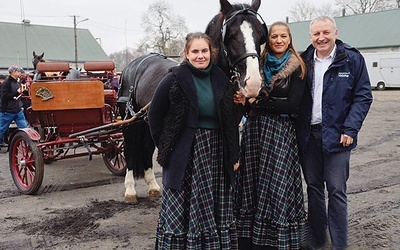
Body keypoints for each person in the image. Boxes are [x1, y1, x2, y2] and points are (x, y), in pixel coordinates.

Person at [148, 32, 241, 249]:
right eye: (195, 51)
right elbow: (154, 115)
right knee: (182, 205)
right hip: (184, 154)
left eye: (204, 51)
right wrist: (166, 147)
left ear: (211, 52)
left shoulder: (221, 79)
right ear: (187, 54)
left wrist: (233, 154)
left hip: (216, 152)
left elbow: (230, 121)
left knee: (214, 206)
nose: (201, 56)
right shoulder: (174, 78)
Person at [297, 16, 373, 250]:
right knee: (313, 188)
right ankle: (319, 239)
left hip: (339, 137)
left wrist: (350, 128)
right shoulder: (303, 60)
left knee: (337, 190)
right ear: (310, 36)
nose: (321, 38)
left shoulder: (351, 59)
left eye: (326, 33)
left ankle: (340, 244)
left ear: (335, 32)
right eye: (316, 33)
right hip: (309, 137)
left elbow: (363, 96)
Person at [233, 21, 309, 249]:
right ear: (268, 39)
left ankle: (278, 236)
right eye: (274, 36)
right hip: (255, 132)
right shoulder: (258, 64)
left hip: (280, 134)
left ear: (289, 39)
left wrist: (258, 101)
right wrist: (245, 102)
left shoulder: (299, 67)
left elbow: (292, 105)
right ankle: (250, 235)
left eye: (283, 36)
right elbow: (249, 107)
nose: (278, 40)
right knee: (251, 183)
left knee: (277, 184)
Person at [0, 66, 28, 151]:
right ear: (13, 72)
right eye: (18, 72)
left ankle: (28, 145)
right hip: (7, 112)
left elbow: (17, 94)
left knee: (25, 129)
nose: (20, 73)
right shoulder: (6, 83)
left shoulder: (16, 82)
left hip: (18, 110)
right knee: (1, 129)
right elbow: (4, 97)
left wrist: (22, 90)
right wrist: (17, 92)